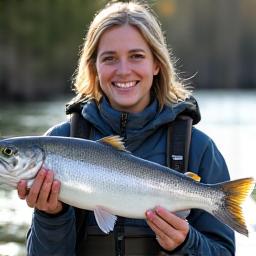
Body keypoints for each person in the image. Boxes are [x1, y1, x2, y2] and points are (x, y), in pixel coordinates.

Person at [17, 1, 235, 255]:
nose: (123, 70)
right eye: (109, 58)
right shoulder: (61, 139)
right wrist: (51, 216)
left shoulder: (197, 148)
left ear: (157, 64)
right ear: (94, 67)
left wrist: (186, 243)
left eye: (136, 56)